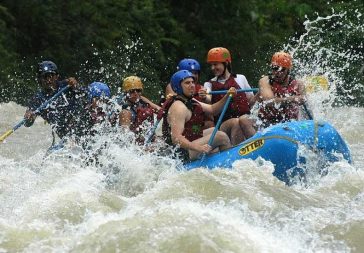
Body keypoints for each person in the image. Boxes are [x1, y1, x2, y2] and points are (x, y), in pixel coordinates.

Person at [161, 70, 234, 161]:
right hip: (178, 153)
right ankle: (229, 161)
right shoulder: (178, 107)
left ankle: (223, 156)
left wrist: (227, 96)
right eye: (187, 83)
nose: (192, 85)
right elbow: (176, 138)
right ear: (178, 87)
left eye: (192, 82)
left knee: (214, 130)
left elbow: (212, 110)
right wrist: (198, 147)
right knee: (220, 136)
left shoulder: (190, 101)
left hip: (188, 145)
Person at [24, 60, 93, 143]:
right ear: (40, 79)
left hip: (83, 130)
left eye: (51, 76)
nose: (48, 80)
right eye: (45, 77)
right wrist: (29, 117)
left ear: (57, 76)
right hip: (65, 139)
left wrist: (76, 86)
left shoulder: (67, 86)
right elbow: (27, 124)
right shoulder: (37, 99)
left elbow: (86, 95)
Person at [203, 47, 256, 145]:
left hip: (245, 118)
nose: (213, 68)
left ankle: (258, 143)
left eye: (215, 64)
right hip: (224, 124)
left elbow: (251, 101)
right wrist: (204, 96)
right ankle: (237, 152)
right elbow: (208, 99)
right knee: (236, 122)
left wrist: (260, 93)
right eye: (211, 65)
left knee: (243, 119)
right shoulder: (208, 84)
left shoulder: (240, 78)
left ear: (226, 63)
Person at [257, 51, 306, 127]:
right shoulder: (265, 81)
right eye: (275, 68)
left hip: (290, 123)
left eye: (282, 69)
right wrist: (293, 99)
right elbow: (269, 101)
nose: (278, 72)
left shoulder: (299, 84)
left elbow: (306, 107)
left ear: (288, 71)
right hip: (267, 122)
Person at [118, 75, 161, 144]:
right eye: (132, 91)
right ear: (126, 93)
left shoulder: (140, 99)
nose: (136, 94)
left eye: (138, 90)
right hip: (133, 145)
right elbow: (125, 138)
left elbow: (159, 110)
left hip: (144, 138)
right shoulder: (125, 112)